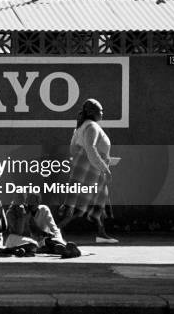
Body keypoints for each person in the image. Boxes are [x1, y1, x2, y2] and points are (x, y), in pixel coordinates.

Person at [59, 98, 118, 244]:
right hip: (91, 170)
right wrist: (104, 168)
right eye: (100, 111)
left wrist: (99, 159)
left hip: (87, 168)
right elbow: (91, 149)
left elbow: (73, 149)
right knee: (80, 204)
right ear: (93, 113)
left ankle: (101, 234)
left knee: (99, 201)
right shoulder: (91, 127)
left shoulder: (82, 127)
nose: (102, 113)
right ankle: (55, 230)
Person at [25, 193, 81, 258]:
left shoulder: (44, 209)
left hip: (47, 240)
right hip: (33, 243)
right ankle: (67, 251)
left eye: (33, 201)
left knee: (50, 242)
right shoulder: (24, 212)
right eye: (29, 201)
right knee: (45, 245)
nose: (31, 203)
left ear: (39, 202)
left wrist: (57, 238)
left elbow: (53, 227)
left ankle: (68, 250)